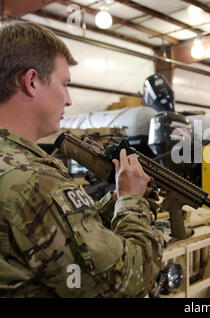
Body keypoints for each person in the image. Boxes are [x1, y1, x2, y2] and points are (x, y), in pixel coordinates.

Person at [0, 21, 164, 297]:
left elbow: (57, 235)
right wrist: (132, 203)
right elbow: (125, 281)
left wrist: (113, 202)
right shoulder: (33, 182)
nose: (68, 100)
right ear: (31, 82)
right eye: (64, 84)